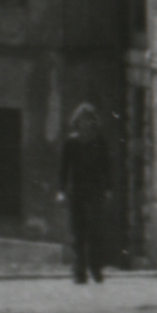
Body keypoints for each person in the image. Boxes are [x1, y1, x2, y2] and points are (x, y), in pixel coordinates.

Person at [59, 103, 116, 285]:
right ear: (77, 122)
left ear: (93, 122)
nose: (85, 123)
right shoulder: (71, 142)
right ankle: (79, 271)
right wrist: (61, 190)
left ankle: (95, 268)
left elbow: (106, 167)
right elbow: (64, 169)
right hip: (77, 191)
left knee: (95, 232)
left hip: (95, 191)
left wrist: (108, 189)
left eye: (89, 120)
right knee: (78, 233)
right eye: (82, 120)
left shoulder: (99, 142)